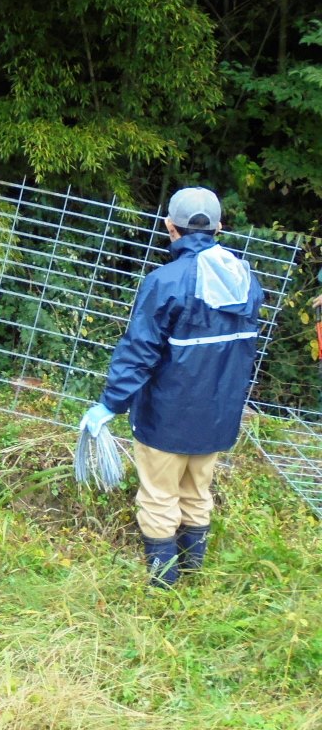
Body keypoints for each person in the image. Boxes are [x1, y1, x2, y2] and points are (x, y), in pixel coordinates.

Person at [80, 187, 264, 587]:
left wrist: (111, 404)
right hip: (218, 416)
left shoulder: (165, 281)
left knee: (160, 497)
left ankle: (165, 587)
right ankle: (193, 576)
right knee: (197, 492)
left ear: (169, 227)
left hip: (167, 416)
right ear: (218, 227)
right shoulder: (246, 280)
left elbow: (139, 351)